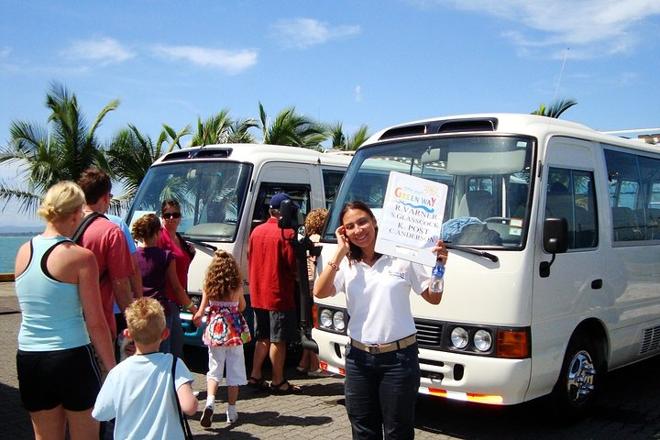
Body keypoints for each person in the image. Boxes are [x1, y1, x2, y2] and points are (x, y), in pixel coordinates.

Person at [314, 200, 448, 440]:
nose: (359, 230)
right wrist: (340, 251)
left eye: (363, 221)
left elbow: (433, 297)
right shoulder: (347, 264)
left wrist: (439, 267)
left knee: (398, 431)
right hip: (358, 360)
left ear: (375, 222)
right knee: (363, 430)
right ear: (344, 232)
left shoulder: (402, 257)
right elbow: (320, 291)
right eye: (350, 226)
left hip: (398, 361)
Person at [14, 181, 116, 440]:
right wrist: (113, 370)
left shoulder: (23, 251)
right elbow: (96, 322)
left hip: (30, 358)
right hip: (71, 356)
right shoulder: (81, 257)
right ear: (74, 214)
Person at [92, 297, 197, 439]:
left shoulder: (118, 372)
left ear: (128, 334)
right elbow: (189, 407)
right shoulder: (174, 364)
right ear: (165, 334)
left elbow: (100, 412)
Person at [247, 192, 301, 394]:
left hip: (258, 293)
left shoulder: (256, 231)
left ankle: (255, 374)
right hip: (278, 295)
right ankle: (278, 380)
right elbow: (291, 265)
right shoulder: (286, 233)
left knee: (262, 337)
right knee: (279, 339)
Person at [192, 250, 250, 427]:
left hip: (216, 332)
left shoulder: (208, 285)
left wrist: (196, 318)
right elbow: (241, 306)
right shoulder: (237, 285)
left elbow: (201, 311)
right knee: (235, 370)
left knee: (214, 369)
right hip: (233, 332)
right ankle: (231, 411)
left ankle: (210, 403)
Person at [76, 168, 135, 341]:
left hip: (69, 325)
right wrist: (133, 322)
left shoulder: (66, 226)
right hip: (99, 322)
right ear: (104, 197)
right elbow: (121, 285)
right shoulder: (111, 232)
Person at [131, 213, 198, 355]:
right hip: (159, 311)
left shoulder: (133, 256)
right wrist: (193, 310)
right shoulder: (166, 256)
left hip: (138, 311)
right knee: (162, 354)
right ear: (157, 233)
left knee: (141, 353)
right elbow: (176, 288)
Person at [158, 199, 196, 359]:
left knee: (175, 350)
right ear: (162, 217)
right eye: (168, 215)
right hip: (167, 300)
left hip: (177, 300)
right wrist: (193, 309)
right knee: (168, 352)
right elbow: (172, 280)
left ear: (181, 217)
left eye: (176, 214)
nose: (172, 218)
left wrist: (191, 254)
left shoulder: (179, 238)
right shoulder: (161, 238)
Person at [296, 207, 329, 377]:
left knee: (307, 327)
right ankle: (315, 364)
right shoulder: (323, 242)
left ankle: (304, 363)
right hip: (316, 288)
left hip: (304, 288)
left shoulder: (305, 240)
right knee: (314, 328)